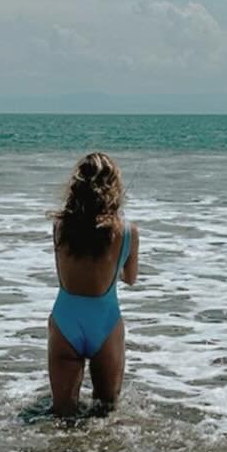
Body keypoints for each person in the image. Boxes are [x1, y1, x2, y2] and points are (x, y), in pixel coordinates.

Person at [47, 151, 139, 417]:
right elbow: (130, 278)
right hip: (105, 322)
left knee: (62, 413)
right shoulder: (126, 232)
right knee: (105, 410)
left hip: (66, 319)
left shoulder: (60, 226)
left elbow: (62, 276)